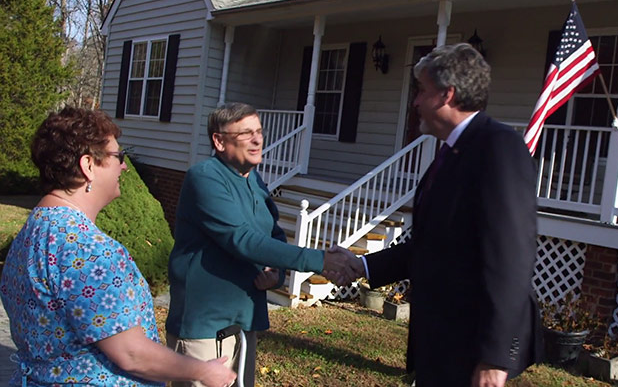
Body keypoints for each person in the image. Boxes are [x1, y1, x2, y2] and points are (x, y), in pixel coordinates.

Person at [333, 43, 543, 387]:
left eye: (421, 91)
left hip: (470, 348)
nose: (414, 102)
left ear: (447, 95)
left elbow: (511, 258)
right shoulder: (448, 155)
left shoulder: (498, 147)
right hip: (441, 343)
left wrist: (494, 357)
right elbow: (432, 245)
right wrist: (364, 266)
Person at [0, 107, 237, 387]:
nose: (124, 166)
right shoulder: (87, 249)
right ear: (88, 166)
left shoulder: (33, 230)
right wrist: (203, 371)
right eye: (118, 157)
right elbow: (132, 354)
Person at [165, 102, 355, 387]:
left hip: (244, 318)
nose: (257, 140)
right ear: (219, 140)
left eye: (259, 131)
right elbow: (241, 239)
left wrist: (276, 273)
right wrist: (321, 261)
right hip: (204, 326)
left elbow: (272, 233)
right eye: (245, 133)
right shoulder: (204, 178)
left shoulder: (253, 179)